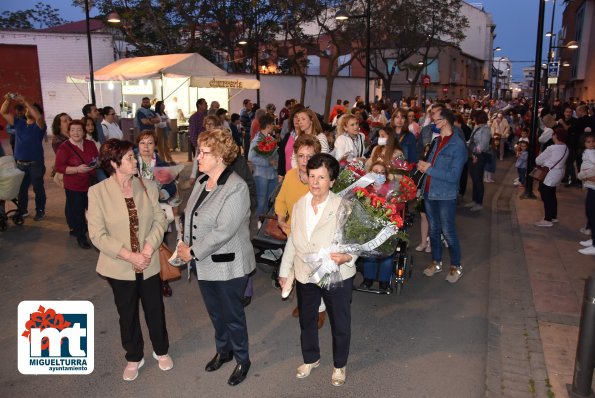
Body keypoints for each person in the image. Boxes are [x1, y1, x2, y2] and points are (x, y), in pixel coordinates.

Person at [87, 139, 172, 381]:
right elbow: (97, 234)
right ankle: (134, 356)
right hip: (119, 265)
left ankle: (161, 350)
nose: (135, 161)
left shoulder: (146, 186)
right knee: (127, 312)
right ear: (114, 164)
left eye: (133, 157)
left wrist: (146, 251)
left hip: (149, 261)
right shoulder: (97, 192)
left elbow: (160, 219)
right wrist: (129, 255)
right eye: (129, 158)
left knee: (155, 308)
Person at [177, 129, 255, 386]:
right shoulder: (201, 182)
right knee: (215, 313)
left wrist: (192, 252)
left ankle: (243, 359)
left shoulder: (236, 187)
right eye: (199, 151)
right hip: (204, 263)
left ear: (220, 156)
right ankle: (224, 351)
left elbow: (224, 230)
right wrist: (182, 241)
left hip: (228, 265)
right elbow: (190, 217)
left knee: (232, 315)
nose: (198, 157)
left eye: (204, 152)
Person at [278, 153, 357, 387]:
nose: (315, 181)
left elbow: (355, 241)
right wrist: (285, 272)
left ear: (331, 181)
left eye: (321, 177)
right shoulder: (299, 205)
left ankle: (339, 365)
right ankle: (310, 358)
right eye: (312, 176)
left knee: (340, 323)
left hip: (336, 274)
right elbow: (293, 240)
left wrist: (348, 256)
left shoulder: (343, 206)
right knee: (307, 320)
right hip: (305, 273)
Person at [274, 134, 326, 329]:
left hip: (314, 237)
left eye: (309, 155)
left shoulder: (319, 178)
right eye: (301, 155)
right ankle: (304, 304)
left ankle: (320, 309)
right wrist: (280, 218)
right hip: (293, 233)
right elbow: (280, 199)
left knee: (314, 274)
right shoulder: (290, 175)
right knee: (297, 272)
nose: (304, 160)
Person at [417, 108, 467, 283]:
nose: (433, 123)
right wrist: (424, 167)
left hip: (445, 194)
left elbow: (454, 177)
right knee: (434, 229)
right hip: (430, 191)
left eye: (436, 120)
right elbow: (432, 165)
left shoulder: (458, 146)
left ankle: (456, 266)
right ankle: (436, 262)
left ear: (445, 121)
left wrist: (429, 169)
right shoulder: (437, 141)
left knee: (448, 231)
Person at [136, 130, 182, 296]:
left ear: (155, 146)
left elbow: (170, 186)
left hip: (157, 210)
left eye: (150, 143)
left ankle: (163, 279)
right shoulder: (131, 163)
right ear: (138, 145)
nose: (146, 147)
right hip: (137, 210)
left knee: (159, 244)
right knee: (138, 245)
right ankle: (141, 279)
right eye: (142, 143)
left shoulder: (162, 164)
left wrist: (164, 193)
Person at [0, 93, 47, 220]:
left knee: (38, 188)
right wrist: (8, 100)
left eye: (31, 109)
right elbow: (3, 112)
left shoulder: (40, 125)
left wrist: (26, 100)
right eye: (27, 109)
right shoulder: (19, 123)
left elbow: (38, 117)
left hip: (35, 164)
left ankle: (40, 210)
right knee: (21, 189)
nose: (28, 110)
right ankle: (22, 210)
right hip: (20, 163)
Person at [54, 120, 99, 249]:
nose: (76, 133)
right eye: (73, 130)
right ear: (68, 132)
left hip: (91, 184)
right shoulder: (65, 147)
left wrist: (93, 165)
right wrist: (77, 169)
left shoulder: (90, 144)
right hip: (74, 186)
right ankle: (81, 237)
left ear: (84, 132)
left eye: (79, 130)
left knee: (94, 212)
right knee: (78, 213)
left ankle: (96, 236)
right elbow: (59, 167)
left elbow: (96, 158)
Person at [360, 161, 395, 292]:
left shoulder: (392, 189)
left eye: (381, 173)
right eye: (375, 172)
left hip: (386, 225)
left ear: (386, 175)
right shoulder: (364, 188)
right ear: (370, 173)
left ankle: (384, 281)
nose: (378, 175)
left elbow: (398, 206)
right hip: (368, 225)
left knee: (386, 250)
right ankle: (368, 279)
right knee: (370, 251)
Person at [534, 128, 569, 227]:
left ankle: (547, 219)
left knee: (546, 196)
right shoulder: (566, 148)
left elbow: (538, 161)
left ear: (555, 136)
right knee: (552, 195)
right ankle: (553, 216)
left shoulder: (551, 148)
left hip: (549, 175)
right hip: (558, 174)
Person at [248, 114, 278, 218]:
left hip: (272, 173)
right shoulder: (257, 140)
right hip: (261, 174)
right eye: (273, 124)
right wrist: (267, 162)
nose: (274, 126)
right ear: (269, 125)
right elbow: (251, 157)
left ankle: (265, 225)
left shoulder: (270, 138)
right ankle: (258, 226)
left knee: (269, 199)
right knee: (261, 201)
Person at [465, 110, 492, 212]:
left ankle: (479, 203)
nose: (473, 119)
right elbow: (471, 141)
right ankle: (474, 200)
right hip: (473, 155)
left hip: (479, 156)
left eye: (474, 117)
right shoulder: (477, 127)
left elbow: (483, 145)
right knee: (474, 179)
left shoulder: (485, 129)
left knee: (478, 180)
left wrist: (474, 152)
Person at [577, 132, 595, 255]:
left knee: (592, 214)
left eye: (593, 141)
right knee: (590, 212)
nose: (591, 144)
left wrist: (584, 175)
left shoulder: (591, 153)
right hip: (590, 186)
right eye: (588, 142)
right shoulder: (586, 152)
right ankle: (593, 239)